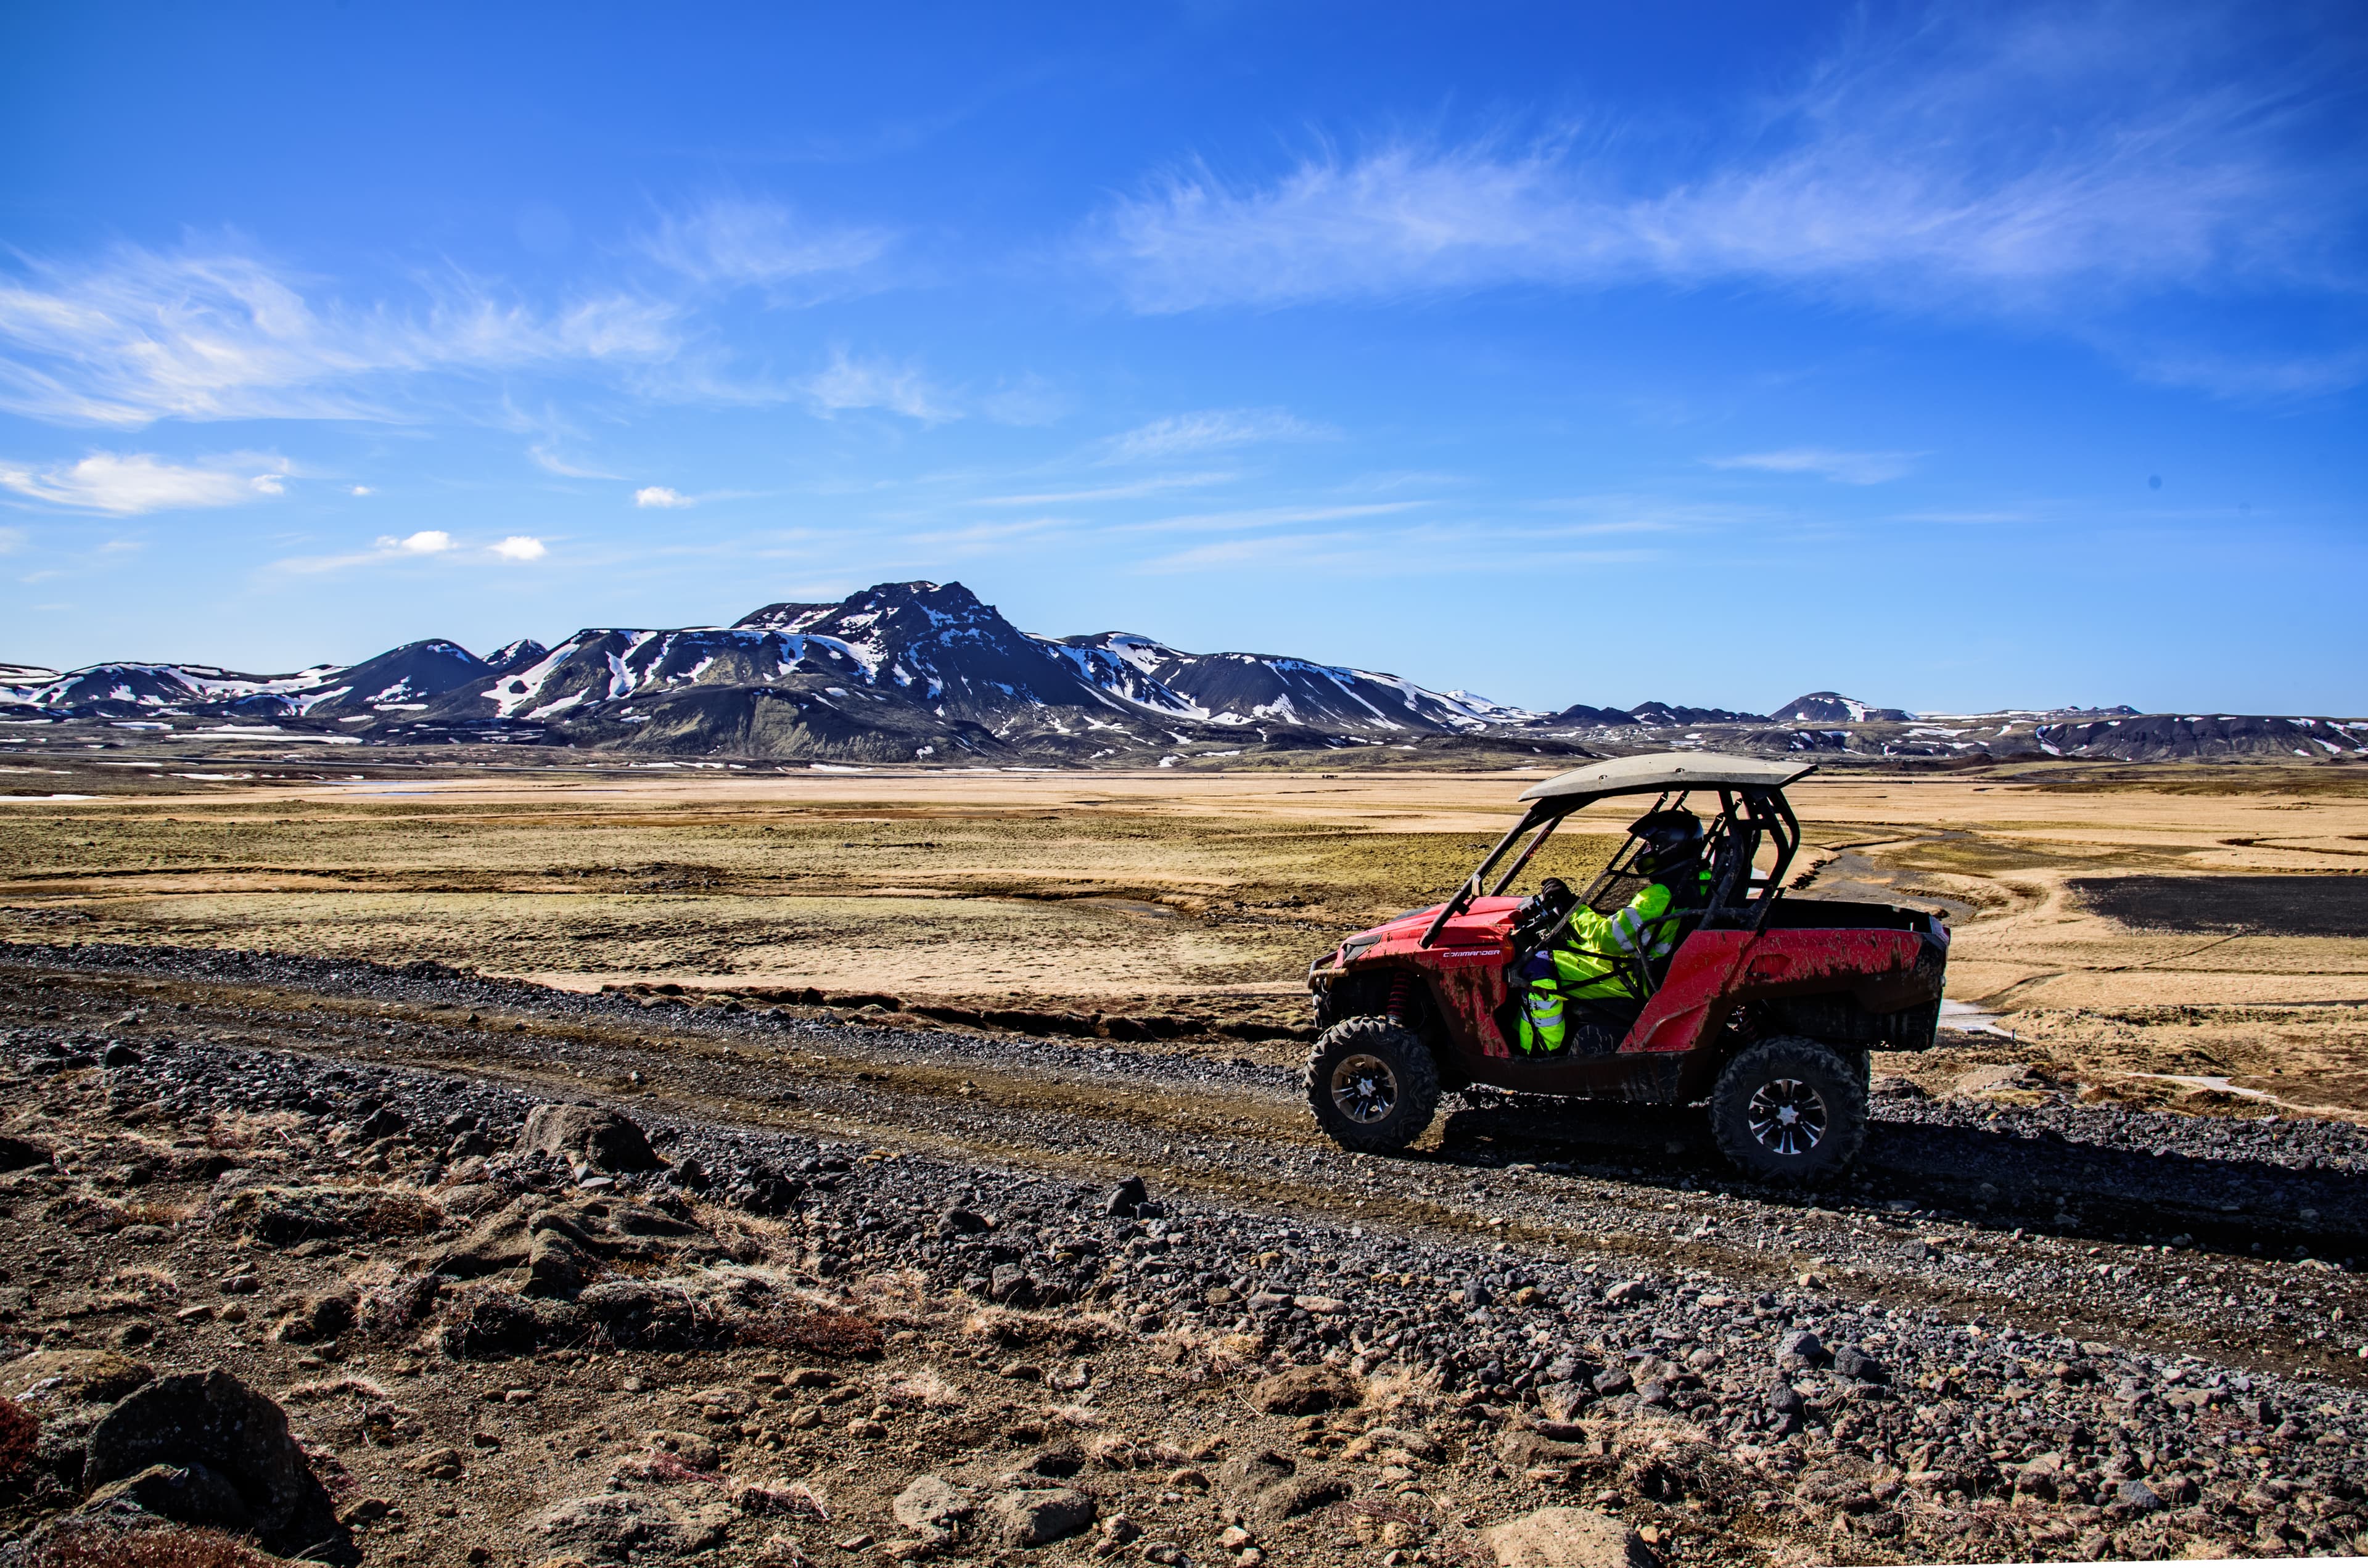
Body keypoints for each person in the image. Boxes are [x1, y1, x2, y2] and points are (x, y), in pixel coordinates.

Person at [1513, 808, 1708, 1054]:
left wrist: (1572, 908)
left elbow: (1606, 939)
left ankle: (1539, 1053)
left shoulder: (1661, 897)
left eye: (1650, 846)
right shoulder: (1699, 881)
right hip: (1658, 971)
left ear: (1667, 848)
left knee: (1537, 964)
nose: (1645, 852)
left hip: (1636, 978)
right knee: (1563, 949)